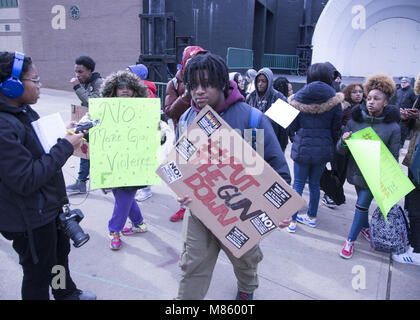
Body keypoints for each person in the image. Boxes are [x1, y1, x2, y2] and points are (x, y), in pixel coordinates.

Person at [175, 53, 292, 300]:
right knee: (191, 265)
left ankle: (247, 290)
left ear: (221, 83)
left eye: (205, 84)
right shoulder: (187, 119)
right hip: (200, 210)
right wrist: (181, 191)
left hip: (243, 211)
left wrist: (282, 210)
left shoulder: (252, 118)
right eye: (193, 85)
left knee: (246, 260)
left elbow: (277, 169)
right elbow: (180, 166)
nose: (198, 91)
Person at [0, 51, 95, 300]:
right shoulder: (3, 126)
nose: (40, 84)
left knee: (58, 256)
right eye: (35, 79)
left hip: (46, 208)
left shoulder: (22, 111)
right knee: (37, 273)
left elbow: (38, 150)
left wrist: (66, 134)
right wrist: (65, 146)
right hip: (28, 217)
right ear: (12, 85)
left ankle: (64, 292)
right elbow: (25, 179)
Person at [338, 74, 400, 259]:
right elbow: (341, 151)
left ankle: (349, 241)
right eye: (369, 98)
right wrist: (344, 141)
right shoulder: (355, 121)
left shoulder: (393, 128)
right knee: (361, 206)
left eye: (376, 99)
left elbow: (393, 160)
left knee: (361, 205)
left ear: (386, 103)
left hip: (376, 176)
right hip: (356, 172)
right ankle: (365, 227)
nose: (371, 102)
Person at [286, 62, 343, 233]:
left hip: (302, 146)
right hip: (323, 149)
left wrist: (296, 137)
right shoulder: (334, 98)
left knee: (297, 184)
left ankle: (292, 221)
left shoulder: (299, 97)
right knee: (315, 185)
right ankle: (311, 217)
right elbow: (336, 128)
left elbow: (292, 126)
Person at [100, 70, 149, 250]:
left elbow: (157, 135)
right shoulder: (103, 110)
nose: (125, 91)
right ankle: (139, 223)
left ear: (136, 90)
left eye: (129, 88)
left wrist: (158, 131)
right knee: (122, 195)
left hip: (135, 162)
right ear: (113, 90)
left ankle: (114, 230)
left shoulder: (146, 110)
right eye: (121, 88)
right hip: (111, 161)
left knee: (124, 196)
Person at [164, 45, 208, 222]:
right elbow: (170, 111)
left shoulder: (208, 81)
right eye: (191, 62)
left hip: (206, 137)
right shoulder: (174, 84)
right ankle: (184, 207)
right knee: (183, 174)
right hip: (184, 137)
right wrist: (187, 96)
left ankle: (205, 207)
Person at [321, 82, 366, 208]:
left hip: (356, 146)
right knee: (337, 172)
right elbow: (335, 125)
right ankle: (330, 195)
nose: (358, 94)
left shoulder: (366, 108)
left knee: (344, 173)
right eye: (354, 92)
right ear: (348, 93)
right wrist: (345, 131)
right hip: (340, 144)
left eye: (360, 92)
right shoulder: (343, 107)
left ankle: (336, 194)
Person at [66, 55, 103, 194]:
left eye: (80, 72)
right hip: (90, 123)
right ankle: (81, 182)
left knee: (94, 152)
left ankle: (106, 182)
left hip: (99, 125)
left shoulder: (99, 83)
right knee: (85, 151)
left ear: (89, 71)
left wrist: (76, 86)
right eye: (76, 72)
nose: (77, 75)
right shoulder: (88, 83)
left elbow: (91, 102)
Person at [394, 73, 420, 265]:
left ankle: (417, 251)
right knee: (411, 204)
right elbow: (414, 127)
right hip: (414, 158)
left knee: (416, 206)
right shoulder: (417, 97)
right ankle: (413, 244)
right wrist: (406, 117)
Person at [127, 63, 157, 202]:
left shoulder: (145, 90)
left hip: (143, 131)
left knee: (143, 160)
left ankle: (146, 189)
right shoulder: (134, 89)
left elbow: (149, 112)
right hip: (136, 130)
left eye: (129, 73)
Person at [246, 67, 289, 152]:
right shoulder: (250, 97)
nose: (260, 84)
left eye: (263, 81)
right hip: (253, 144)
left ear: (269, 82)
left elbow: (284, 130)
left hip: (272, 143)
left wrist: (281, 149)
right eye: (258, 81)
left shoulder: (280, 98)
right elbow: (245, 122)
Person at [396, 77, 418, 148]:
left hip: (407, 116)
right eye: (402, 82)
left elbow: (415, 103)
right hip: (398, 114)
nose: (403, 84)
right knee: (396, 131)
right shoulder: (398, 91)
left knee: (403, 130)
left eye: (405, 82)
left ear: (408, 83)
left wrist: (410, 112)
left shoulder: (412, 92)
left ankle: (401, 145)